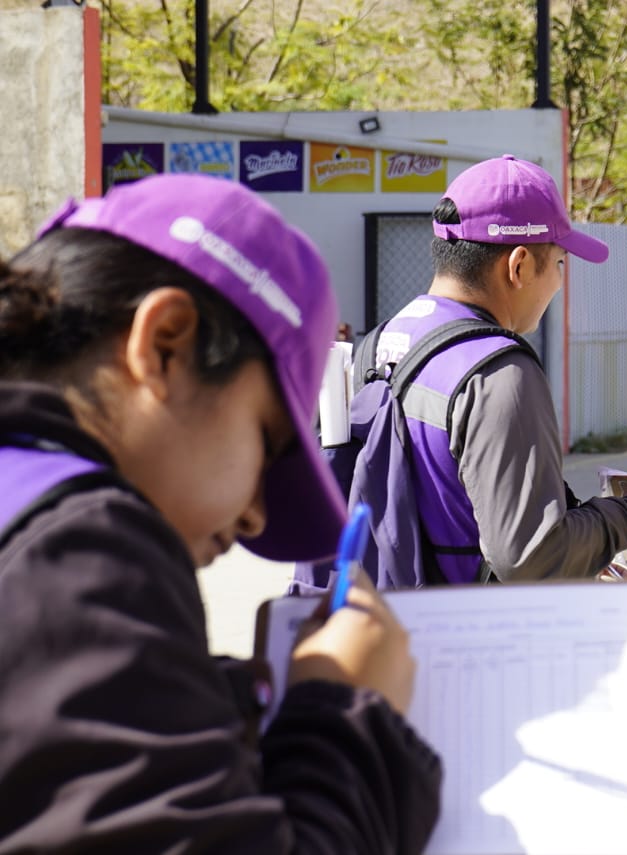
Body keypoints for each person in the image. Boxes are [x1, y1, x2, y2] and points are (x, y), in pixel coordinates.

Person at [0, 174, 441, 851]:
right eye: (268, 445)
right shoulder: (82, 548)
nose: (256, 517)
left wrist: (192, 706)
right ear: (167, 344)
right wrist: (348, 714)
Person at [299, 154, 627, 587]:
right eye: (560, 263)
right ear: (519, 265)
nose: (561, 283)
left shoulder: (377, 345)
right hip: (468, 638)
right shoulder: (499, 373)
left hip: (383, 626)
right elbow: (531, 557)